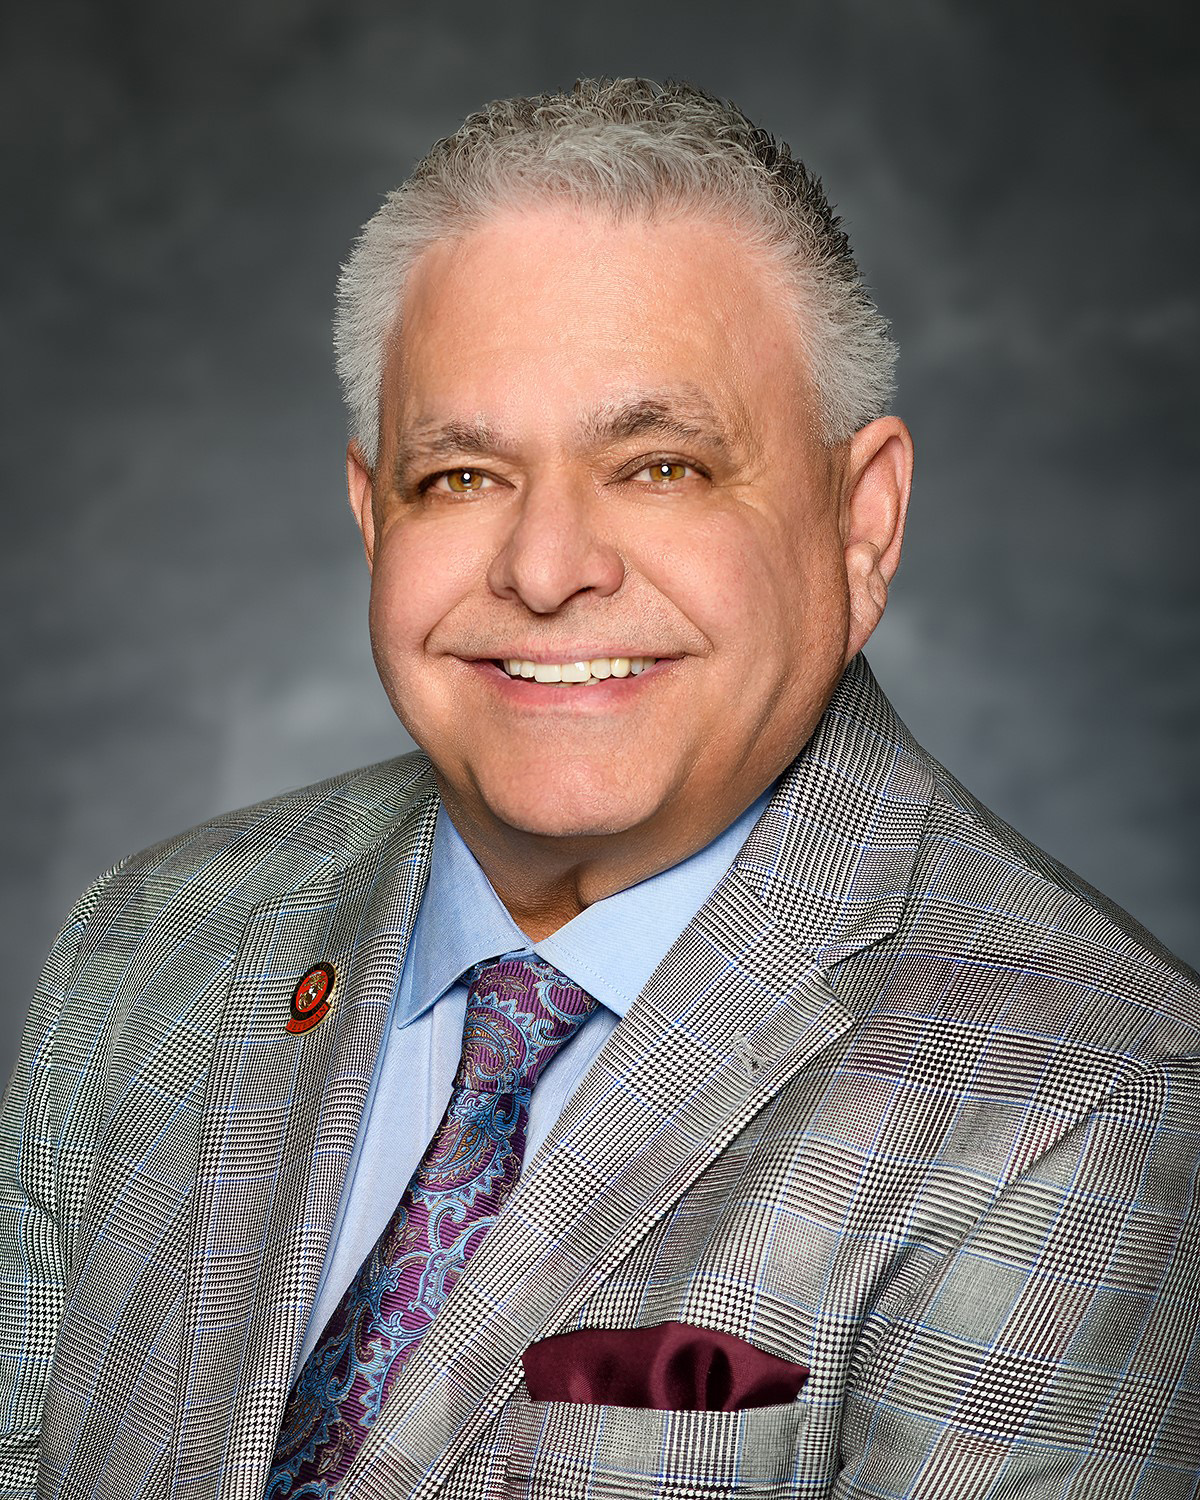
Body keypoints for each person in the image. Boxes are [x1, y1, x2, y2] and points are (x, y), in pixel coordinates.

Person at [1, 77, 1196, 1500]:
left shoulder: (1090, 1102)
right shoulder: (150, 944)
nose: (547, 566)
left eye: (661, 466)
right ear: (371, 514)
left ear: (861, 523)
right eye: (462, 476)